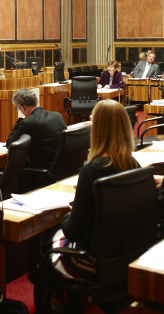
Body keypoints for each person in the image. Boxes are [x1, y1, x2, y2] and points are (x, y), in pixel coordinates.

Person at [49, 99, 139, 279]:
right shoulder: (134, 164)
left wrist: (68, 214)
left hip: (93, 259)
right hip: (125, 254)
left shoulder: (91, 171)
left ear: (97, 129)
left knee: (46, 241)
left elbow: (73, 231)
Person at [6, 88, 66, 170]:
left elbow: (10, 144)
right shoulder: (58, 116)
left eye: (18, 109)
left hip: (41, 172)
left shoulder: (27, 122)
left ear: (22, 107)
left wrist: (20, 120)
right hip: (62, 168)